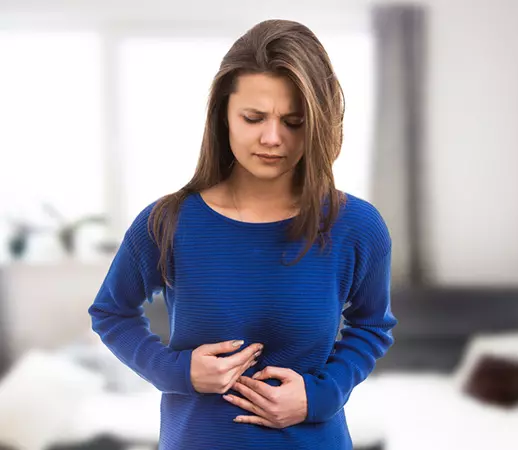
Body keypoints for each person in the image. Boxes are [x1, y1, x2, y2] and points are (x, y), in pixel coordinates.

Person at [87, 19, 396, 450]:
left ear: (319, 123)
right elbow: (110, 313)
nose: (273, 138)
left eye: (294, 121)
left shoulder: (357, 227)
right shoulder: (166, 222)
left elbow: (372, 326)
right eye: (253, 118)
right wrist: (174, 371)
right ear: (223, 116)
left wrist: (319, 395)